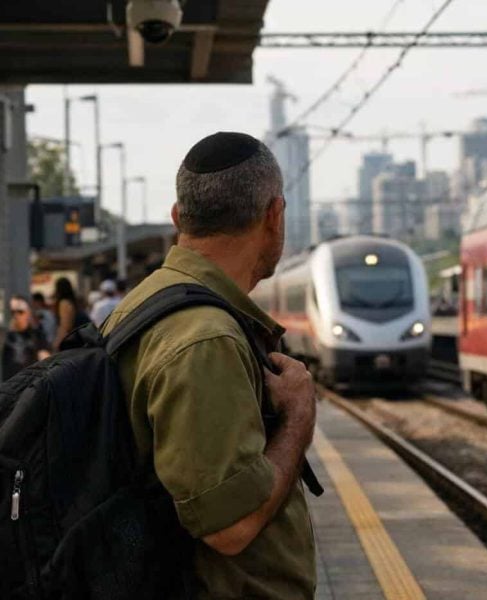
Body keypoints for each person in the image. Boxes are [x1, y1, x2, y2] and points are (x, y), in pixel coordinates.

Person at [101, 132, 317, 599]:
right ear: (274, 216)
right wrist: (299, 417)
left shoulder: (141, 304)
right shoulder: (206, 339)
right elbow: (232, 527)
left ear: (179, 218)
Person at [2, 296, 50, 381]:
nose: (16, 315)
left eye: (20, 312)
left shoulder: (36, 334)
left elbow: (45, 359)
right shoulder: (5, 335)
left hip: (28, 385)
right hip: (7, 385)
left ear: (28, 313)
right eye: (12, 312)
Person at [51, 277, 90, 351]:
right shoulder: (73, 302)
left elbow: (65, 326)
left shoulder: (64, 303)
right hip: (79, 342)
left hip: (71, 344)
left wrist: (57, 343)